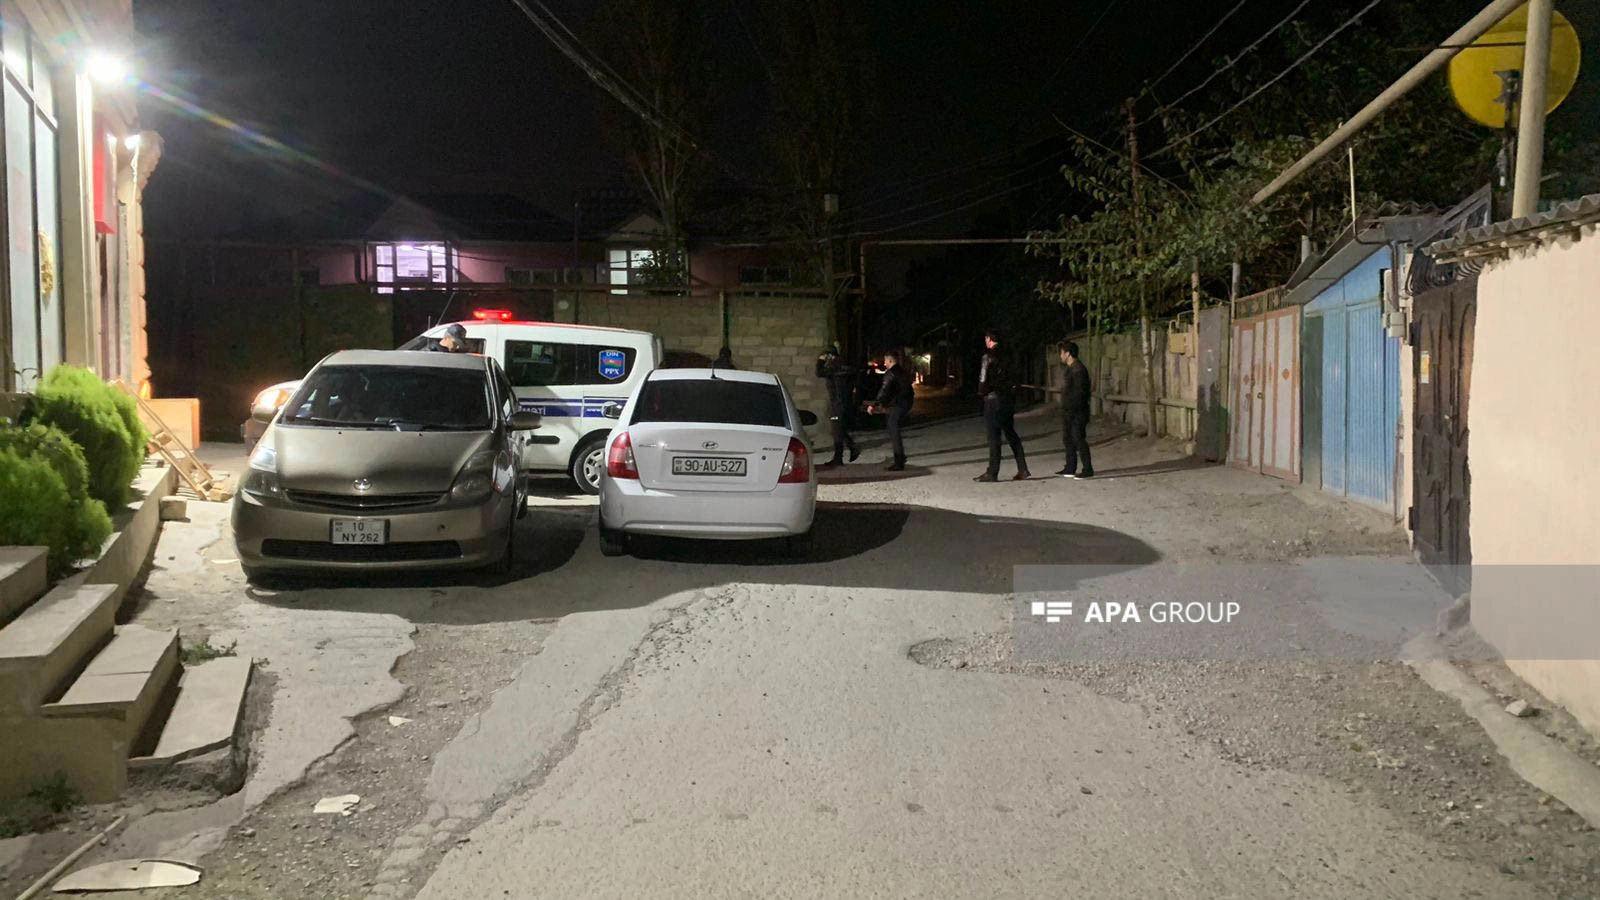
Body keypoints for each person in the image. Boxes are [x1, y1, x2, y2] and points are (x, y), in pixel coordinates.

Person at [975, 329, 1030, 482]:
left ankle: (992, 472)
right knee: (1011, 433)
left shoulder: (987, 357)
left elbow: (983, 380)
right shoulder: (1009, 356)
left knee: (994, 437)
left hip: (993, 399)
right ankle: (1023, 468)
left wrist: (981, 394)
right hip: (1007, 399)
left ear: (989, 339)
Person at [867, 348, 915, 471]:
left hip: (897, 405)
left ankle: (899, 461)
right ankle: (900, 457)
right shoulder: (902, 371)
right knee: (893, 427)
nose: (884, 363)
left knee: (894, 431)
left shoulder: (890, 373)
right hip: (905, 403)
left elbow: (884, 390)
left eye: (885, 361)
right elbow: (909, 390)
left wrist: (874, 404)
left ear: (890, 361)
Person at [816, 345, 860, 467]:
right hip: (843, 402)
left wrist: (820, 361)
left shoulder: (833, 368)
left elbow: (819, 372)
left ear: (830, 356)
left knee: (837, 430)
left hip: (837, 403)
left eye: (826, 356)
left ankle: (843, 454)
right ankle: (848, 450)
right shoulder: (843, 367)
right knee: (839, 428)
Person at [1058, 341, 1094, 479]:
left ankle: (1087, 468)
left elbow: (1080, 393)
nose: (1061, 356)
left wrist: (1072, 407)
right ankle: (1070, 467)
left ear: (1068, 354)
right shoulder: (1071, 369)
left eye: (1062, 353)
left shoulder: (1079, 370)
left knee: (1079, 439)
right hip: (1069, 410)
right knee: (1068, 439)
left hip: (1077, 411)